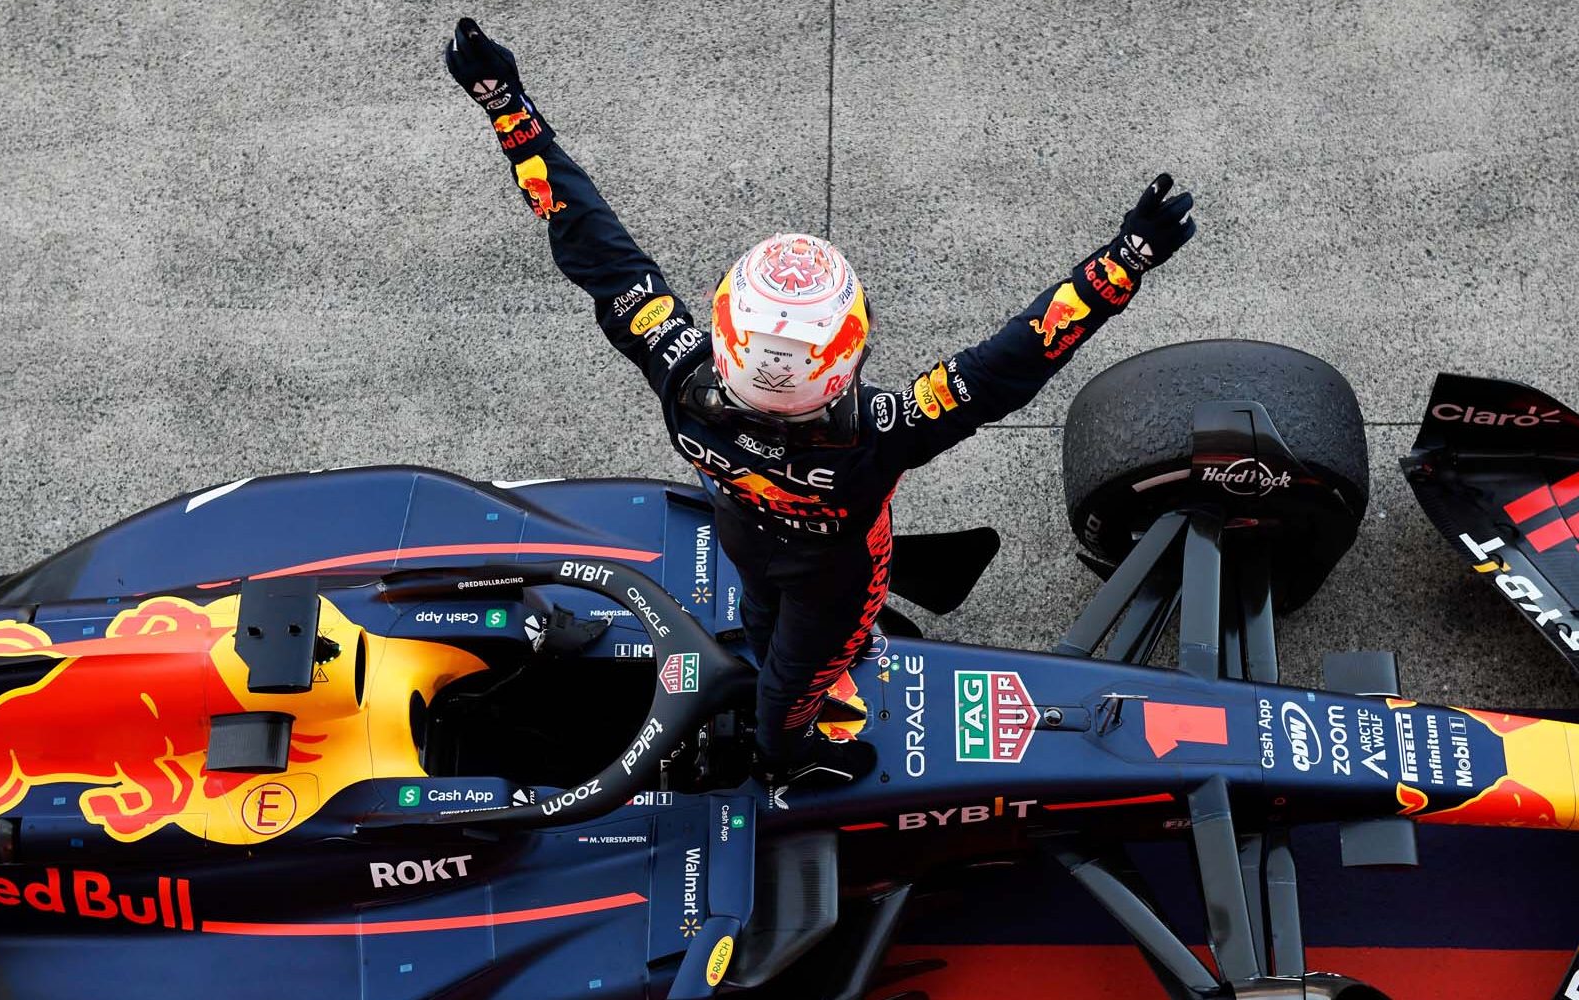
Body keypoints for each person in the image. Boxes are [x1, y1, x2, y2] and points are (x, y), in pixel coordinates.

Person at [445, 17, 1196, 786]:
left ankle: (786, 756)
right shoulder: (885, 430)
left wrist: (506, 103)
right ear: (846, 357)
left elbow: (589, 239)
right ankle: (788, 745)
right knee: (774, 655)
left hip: (776, 558)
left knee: (783, 702)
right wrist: (1123, 261)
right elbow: (1016, 357)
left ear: (728, 328)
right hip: (823, 575)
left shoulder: (678, 369)